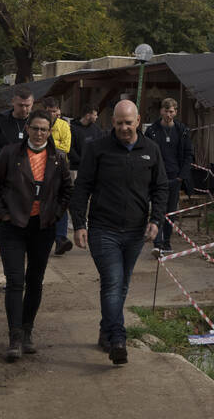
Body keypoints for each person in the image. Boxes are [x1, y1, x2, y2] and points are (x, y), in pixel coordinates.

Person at [70, 99, 168, 366]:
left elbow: (160, 188)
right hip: (104, 229)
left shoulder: (151, 150)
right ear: (111, 122)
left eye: (129, 122)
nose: (124, 128)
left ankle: (105, 329)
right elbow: (82, 188)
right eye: (119, 123)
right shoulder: (97, 149)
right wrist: (79, 224)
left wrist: (156, 220)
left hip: (136, 231)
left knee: (122, 284)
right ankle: (118, 339)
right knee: (112, 283)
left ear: (138, 121)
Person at [0, 109, 72, 362]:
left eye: (44, 129)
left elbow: (68, 190)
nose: (39, 133)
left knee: (35, 281)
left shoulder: (57, 158)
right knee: (15, 281)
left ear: (50, 131)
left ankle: (27, 331)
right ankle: (13, 337)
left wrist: (55, 215)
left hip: (42, 229)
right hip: (12, 228)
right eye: (35, 128)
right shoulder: (10, 153)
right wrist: (3, 214)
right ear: (28, 129)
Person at [144, 97, 194, 253]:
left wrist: (182, 176)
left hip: (174, 177)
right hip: (157, 177)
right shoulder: (152, 131)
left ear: (175, 112)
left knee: (170, 210)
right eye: (166, 111)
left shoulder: (182, 131)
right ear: (161, 111)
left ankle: (166, 241)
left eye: (171, 111)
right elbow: (146, 152)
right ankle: (157, 242)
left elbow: (188, 154)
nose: (168, 114)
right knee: (158, 208)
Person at [42, 97, 73, 255]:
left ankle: (61, 239)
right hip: (40, 168)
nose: (52, 114)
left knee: (62, 202)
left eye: (54, 111)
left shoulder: (63, 126)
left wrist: (49, 143)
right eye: (49, 111)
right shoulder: (39, 125)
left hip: (61, 169)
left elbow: (66, 147)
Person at [0, 86, 34, 165]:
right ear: (13, 102)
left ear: (32, 103)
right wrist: (11, 153)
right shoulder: (0, 121)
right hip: (5, 170)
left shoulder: (39, 122)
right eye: (20, 105)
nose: (24, 109)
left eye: (27, 106)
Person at [69, 104, 103, 170]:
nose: (97, 117)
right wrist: (81, 161)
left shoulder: (96, 129)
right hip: (77, 168)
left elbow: (101, 145)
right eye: (95, 115)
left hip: (93, 168)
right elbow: (70, 149)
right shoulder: (72, 129)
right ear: (87, 116)